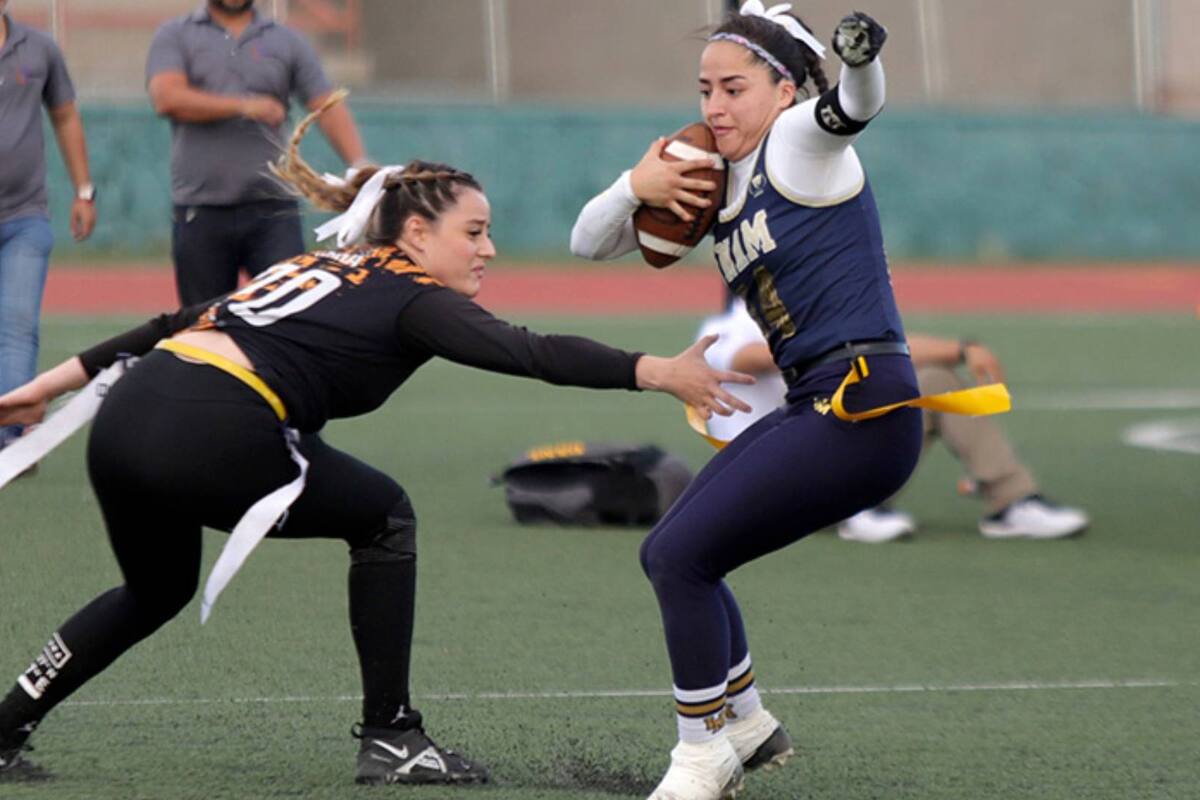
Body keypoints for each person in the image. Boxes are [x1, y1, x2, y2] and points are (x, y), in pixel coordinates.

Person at [0, 95, 754, 786]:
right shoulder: (411, 294)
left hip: (130, 413)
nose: (487, 250)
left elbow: (175, 324)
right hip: (210, 425)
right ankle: (393, 735)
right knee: (383, 514)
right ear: (417, 231)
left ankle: (5, 726)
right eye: (475, 232)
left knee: (153, 589)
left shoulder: (324, 263)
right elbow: (529, 352)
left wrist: (52, 381)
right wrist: (655, 370)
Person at [570, 4, 956, 798]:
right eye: (704, 87)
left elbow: (856, 105)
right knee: (670, 552)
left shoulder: (798, 143)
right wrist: (633, 184)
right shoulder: (717, 172)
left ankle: (701, 753)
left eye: (734, 87)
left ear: (783, 91)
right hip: (819, 401)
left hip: (862, 405)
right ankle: (744, 722)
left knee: (682, 558)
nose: (714, 106)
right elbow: (587, 242)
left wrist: (860, 56)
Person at [698, 296, 1090, 543]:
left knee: (935, 381)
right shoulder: (723, 331)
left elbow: (877, 345)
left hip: (823, 464)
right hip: (768, 490)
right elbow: (760, 357)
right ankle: (854, 508)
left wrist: (961, 350)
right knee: (867, 385)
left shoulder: (808, 322)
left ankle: (1013, 502)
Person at [146, 0, 368, 304]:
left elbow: (326, 105)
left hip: (274, 211)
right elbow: (167, 97)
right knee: (202, 324)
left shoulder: (286, 39)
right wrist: (244, 105)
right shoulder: (176, 34)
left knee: (289, 314)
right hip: (201, 208)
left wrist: (359, 163)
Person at [0, 0, 96, 451]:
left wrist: (83, 191)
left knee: (17, 326)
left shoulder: (39, 49)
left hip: (24, 217)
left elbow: (64, 114)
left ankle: (12, 438)